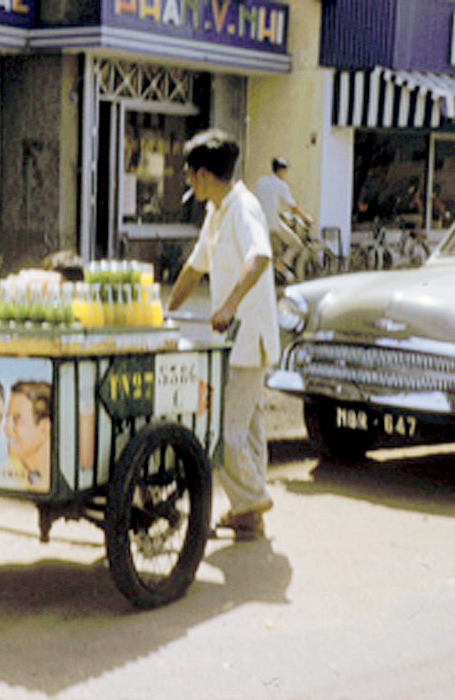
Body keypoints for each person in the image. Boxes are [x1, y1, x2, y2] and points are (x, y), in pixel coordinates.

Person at [167, 128, 279, 542]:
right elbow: (194, 268)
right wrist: (164, 312)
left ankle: (252, 499)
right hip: (234, 340)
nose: (187, 180)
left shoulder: (243, 207)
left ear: (203, 174)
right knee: (248, 428)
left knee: (223, 431)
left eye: (189, 173)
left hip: (248, 336)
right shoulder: (216, 212)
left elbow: (260, 257)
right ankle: (249, 513)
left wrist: (230, 303)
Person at [255, 157, 314, 275]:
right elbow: (293, 206)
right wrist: (306, 217)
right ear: (281, 171)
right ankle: (281, 265)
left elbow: (265, 202)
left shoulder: (262, 181)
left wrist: (280, 213)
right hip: (272, 222)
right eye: (286, 171)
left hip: (259, 222)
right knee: (296, 243)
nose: (286, 174)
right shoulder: (281, 184)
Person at [4, 381, 53, 491]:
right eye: (7, 419)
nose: (6, 429)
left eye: (16, 420)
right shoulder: (4, 474)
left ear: (45, 428)